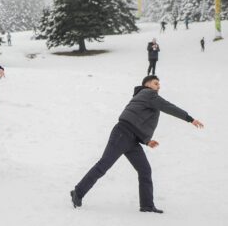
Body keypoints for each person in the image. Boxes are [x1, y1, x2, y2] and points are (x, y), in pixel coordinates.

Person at [70, 75, 204, 214]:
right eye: (155, 83)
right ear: (147, 84)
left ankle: (147, 205)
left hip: (133, 139)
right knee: (104, 165)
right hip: (123, 133)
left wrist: (147, 140)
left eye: (159, 84)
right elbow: (167, 106)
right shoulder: (148, 94)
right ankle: (77, 192)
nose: (159, 86)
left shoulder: (149, 99)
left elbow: (140, 121)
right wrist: (190, 119)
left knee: (145, 170)